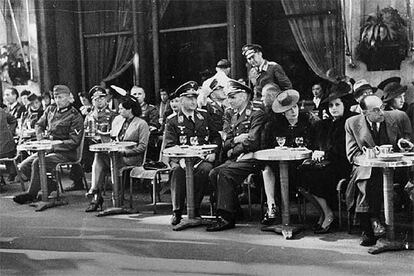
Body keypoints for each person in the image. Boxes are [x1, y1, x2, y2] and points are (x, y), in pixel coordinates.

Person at [345, 95, 413, 246]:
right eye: (376, 110)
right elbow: (352, 155)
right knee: (369, 175)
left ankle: (372, 223)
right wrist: (370, 156)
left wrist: (403, 144)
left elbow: (406, 142)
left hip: (394, 167)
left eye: (382, 107)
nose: (381, 112)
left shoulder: (396, 118)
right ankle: (370, 225)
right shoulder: (352, 123)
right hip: (365, 168)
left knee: (376, 177)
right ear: (364, 113)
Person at [207, 79, 265, 231]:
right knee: (214, 173)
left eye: (232, 97)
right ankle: (235, 209)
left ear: (244, 96)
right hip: (237, 157)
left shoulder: (256, 114)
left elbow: (253, 142)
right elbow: (225, 141)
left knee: (224, 173)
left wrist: (233, 149)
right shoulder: (231, 115)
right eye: (228, 97)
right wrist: (235, 142)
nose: (229, 100)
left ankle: (225, 217)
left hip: (253, 157)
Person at [299, 83, 357, 233]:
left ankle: (329, 215)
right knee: (300, 173)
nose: (333, 108)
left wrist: (324, 154)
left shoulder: (349, 122)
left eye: (337, 104)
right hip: (330, 162)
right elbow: (320, 143)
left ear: (345, 105)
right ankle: (323, 213)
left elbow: (343, 150)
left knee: (316, 176)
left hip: (344, 164)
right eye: (331, 105)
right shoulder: (328, 123)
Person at [13, 85, 84, 204]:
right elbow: (39, 125)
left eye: (61, 97)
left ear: (68, 98)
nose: (57, 100)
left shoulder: (75, 116)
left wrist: (53, 145)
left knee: (37, 162)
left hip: (66, 152)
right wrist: (40, 138)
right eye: (55, 97)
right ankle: (49, 184)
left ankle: (31, 194)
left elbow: (74, 142)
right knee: (24, 166)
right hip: (48, 149)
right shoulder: (50, 110)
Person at [164, 81, 221, 226]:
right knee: (177, 171)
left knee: (206, 170)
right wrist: (181, 158)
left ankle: (194, 208)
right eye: (189, 98)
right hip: (180, 159)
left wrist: (213, 152)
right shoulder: (173, 121)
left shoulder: (204, 116)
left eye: (195, 98)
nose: (194, 102)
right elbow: (170, 145)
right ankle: (177, 211)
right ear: (181, 100)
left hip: (201, 158)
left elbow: (216, 136)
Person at [260, 89, 315, 225]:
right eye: (289, 109)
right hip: (279, 165)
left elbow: (314, 144)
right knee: (266, 169)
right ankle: (271, 206)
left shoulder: (307, 122)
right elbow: (265, 147)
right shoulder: (274, 126)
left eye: (295, 107)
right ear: (283, 112)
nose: (293, 111)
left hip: (300, 165)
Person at [85, 97, 149, 212]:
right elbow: (113, 137)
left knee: (109, 161)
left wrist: (125, 152)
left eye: (121, 109)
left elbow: (142, 147)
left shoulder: (141, 124)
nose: (119, 111)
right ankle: (96, 192)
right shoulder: (119, 120)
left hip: (132, 157)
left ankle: (99, 196)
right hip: (117, 155)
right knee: (99, 156)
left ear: (130, 110)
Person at [66, 86, 117, 191]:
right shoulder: (89, 115)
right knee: (77, 148)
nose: (99, 101)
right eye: (96, 99)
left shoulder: (113, 115)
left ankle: (99, 185)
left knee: (84, 150)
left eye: (101, 98)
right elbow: (84, 129)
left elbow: (114, 134)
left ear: (106, 99)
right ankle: (78, 181)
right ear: (92, 101)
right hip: (89, 145)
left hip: (105, 146)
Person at [130, 86, 160, 161]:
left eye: (139, 94)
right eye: (134, 94)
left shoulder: (151, 109)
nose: (137, 96)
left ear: (144, 95)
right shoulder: (128, 110)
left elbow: (153, 125)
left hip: (145, 140)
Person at [0, 106, 17, 185]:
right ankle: (12, 172)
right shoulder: (1, 110)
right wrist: (11, 131)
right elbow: (13, 120)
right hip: (9, 147)